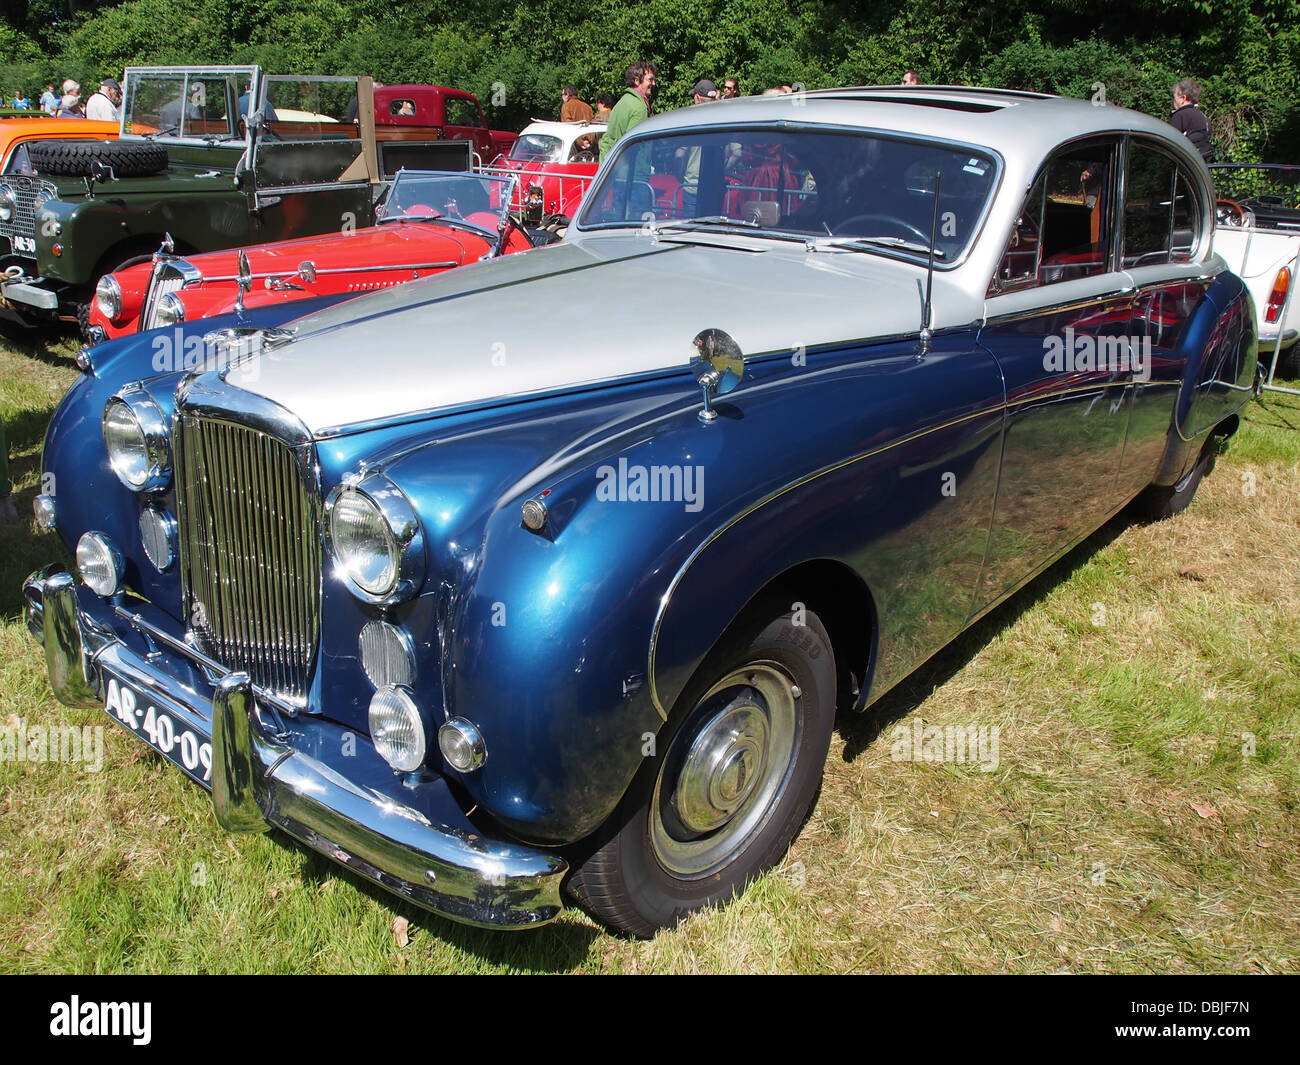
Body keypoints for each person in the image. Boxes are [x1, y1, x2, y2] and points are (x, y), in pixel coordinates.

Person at [599, 61, 656, 163]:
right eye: (650, 79)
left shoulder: (622, 102)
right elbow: (633, 146)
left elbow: (609, 139)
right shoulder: (639, 107)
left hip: (612, 165)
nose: (653, 83)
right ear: (637, 80)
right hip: (631, 171)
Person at [1169, 79, 1214, 163]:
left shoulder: (1180, 116)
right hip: (1201, 167)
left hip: (1184, 164)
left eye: (1174, 97)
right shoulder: (1203, 117)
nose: (1173, 101)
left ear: (1183, 98)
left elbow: (1170, 143)